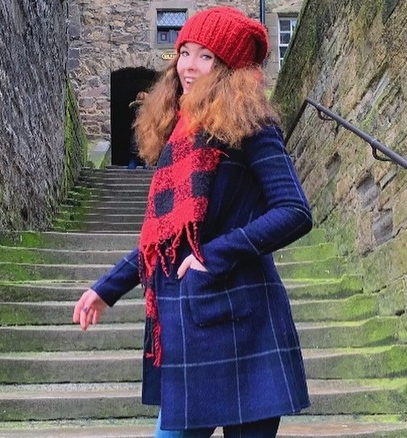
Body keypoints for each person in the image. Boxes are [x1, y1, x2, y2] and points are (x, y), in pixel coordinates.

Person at [73, 6, 312, 437]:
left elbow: (294, 212)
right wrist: (106, 288)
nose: (189, 66)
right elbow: (163, 237)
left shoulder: (251, 126)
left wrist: (215, 255)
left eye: (206, 56)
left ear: (229, 68)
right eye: (185, 51)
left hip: (244, 320)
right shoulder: (178, 136)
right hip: (186, 323)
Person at [127, 91, 148, 169]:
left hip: (135, 138)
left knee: (133, 160)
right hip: (146, 138)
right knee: (146, 162)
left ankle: (128, 178)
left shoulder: (132, 110)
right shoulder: (148, 110)